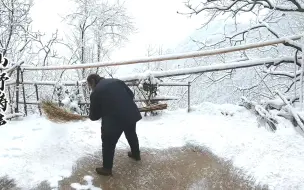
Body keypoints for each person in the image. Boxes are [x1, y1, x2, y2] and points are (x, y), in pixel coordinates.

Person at [87, 74, 142, 176]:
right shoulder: (116, 81)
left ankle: (107, 169)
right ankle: (136, 154)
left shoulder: (96, 92)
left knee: (108, 142)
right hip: (130, 113)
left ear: (93, 81)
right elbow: (131, 94)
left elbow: (94, 117)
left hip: (114, 120)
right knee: (131, 134)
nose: (91, 88)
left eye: (90, 85)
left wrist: (93, 114)